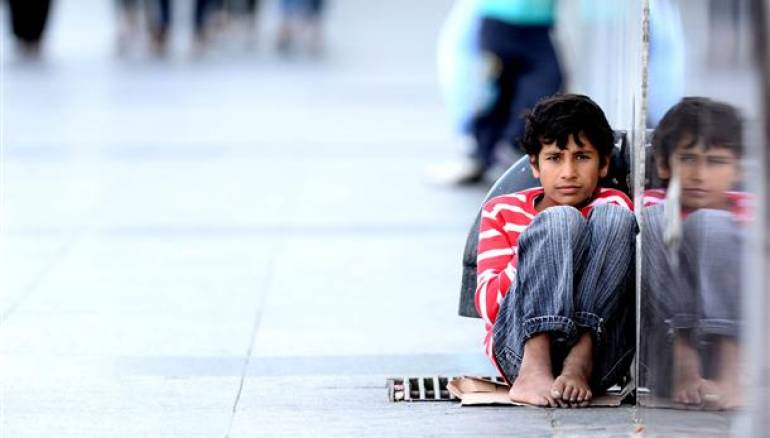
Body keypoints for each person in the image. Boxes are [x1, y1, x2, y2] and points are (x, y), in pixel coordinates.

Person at [475, 94, 636, 407]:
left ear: (603, 164)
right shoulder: (501, 211)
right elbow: (487, 305)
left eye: (582, 157)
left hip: (598, 357)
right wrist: (536, 246)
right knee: (560, 220)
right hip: (518, 351)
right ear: (534, 165)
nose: (568, 172)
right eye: (554, 158)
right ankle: (535, 367)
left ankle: (579, 359)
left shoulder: (612, 205)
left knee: (613, 217)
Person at [641, 97, 749, 410]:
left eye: (715, 162)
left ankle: (731, 371)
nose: (699, 174)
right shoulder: (652, 206)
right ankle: (685, 361)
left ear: (737, 169)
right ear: (664, 164)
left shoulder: (749, 211)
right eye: (687, 159)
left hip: (745, 343)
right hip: (664, 345)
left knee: (712, 224)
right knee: (655, 219)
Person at [438, 0, 563, 185]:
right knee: (499, 90)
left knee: (534, 86)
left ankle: (502, 149)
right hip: (501, 18)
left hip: (534, 23)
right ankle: (488, 151)